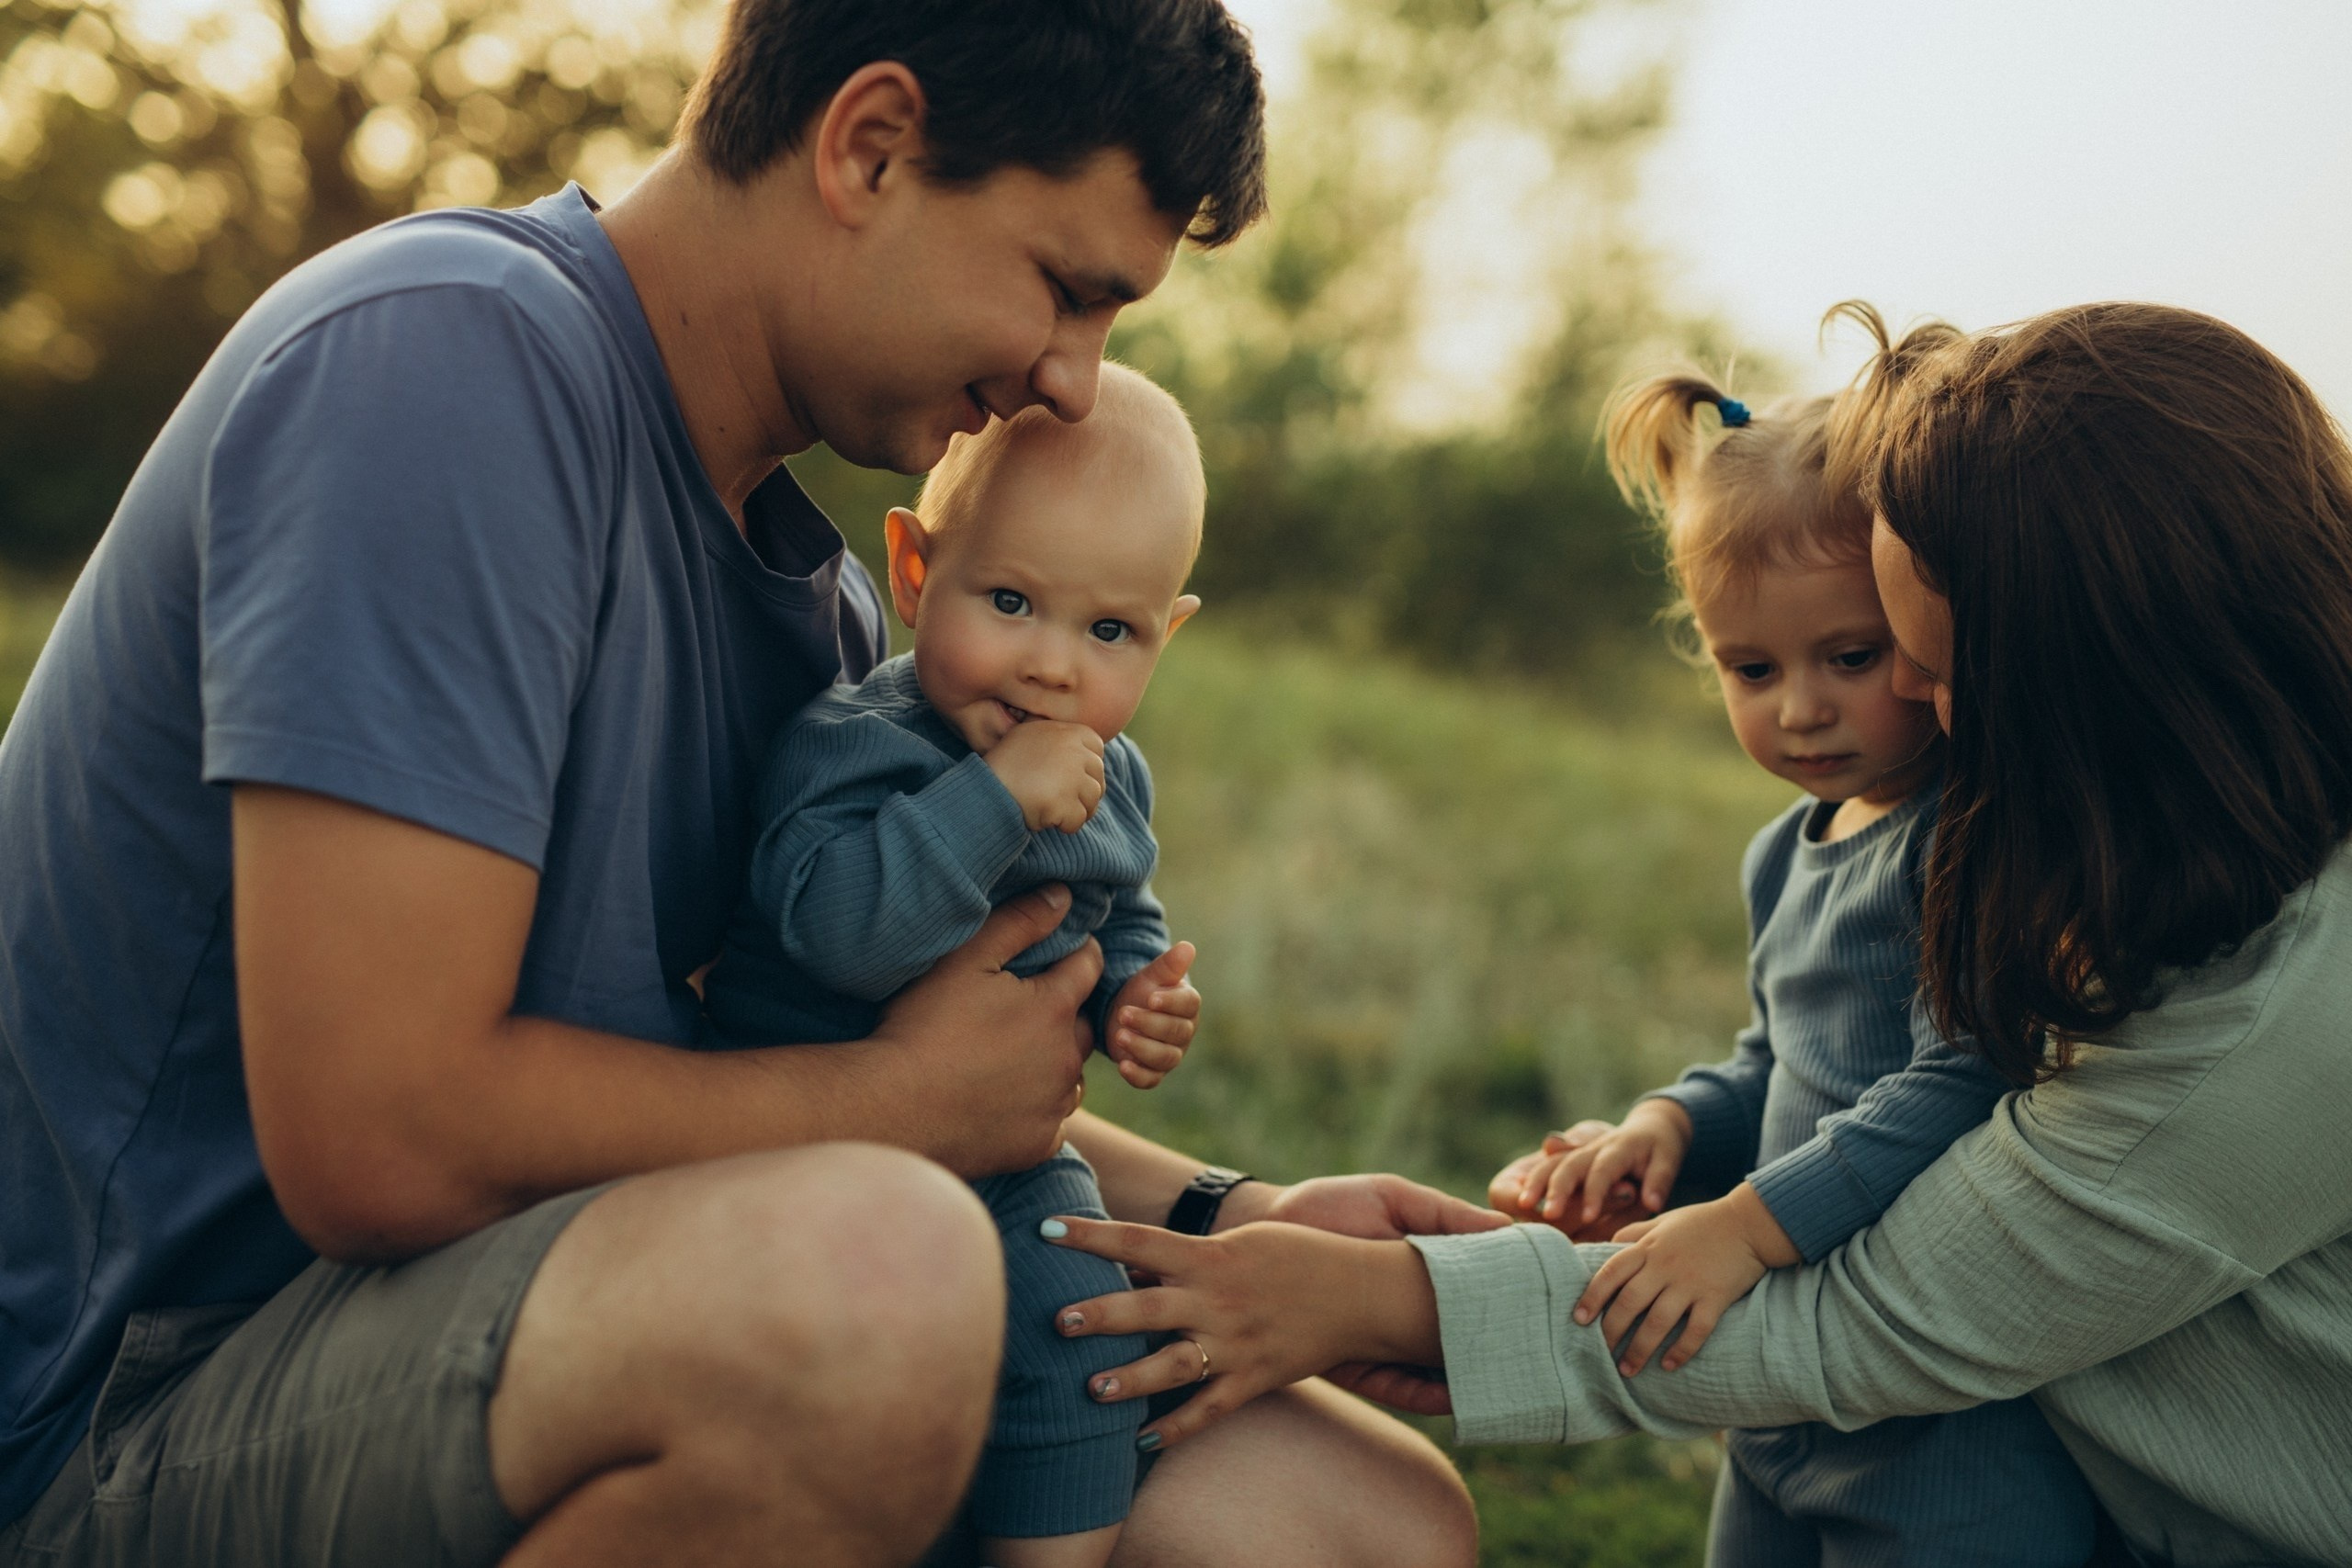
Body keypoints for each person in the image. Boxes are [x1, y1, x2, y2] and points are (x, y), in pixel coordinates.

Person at [0, 5, 1493, 1565]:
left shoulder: (838, 625)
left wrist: (1233, 1225)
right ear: (870, 146)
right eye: (1067, 292)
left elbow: (852, 1056)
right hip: (139, 1406)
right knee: (870, 1281)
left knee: (1356, 1525)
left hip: (543, 1320)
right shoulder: (444, 363)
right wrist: (894, 1111)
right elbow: (383, 1137)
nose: (1073, 382)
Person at [1039, 300, 2352, 1568]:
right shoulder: (2111, 850)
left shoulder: (2228, 991)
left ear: (2107, 687)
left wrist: (1407, 1300)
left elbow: (1889, 1306)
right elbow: (1784, 1068)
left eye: (1926, 667)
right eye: (1763, 666)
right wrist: (1648, 1160)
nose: (1892, 697)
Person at [1481, 368, 2093, 1564]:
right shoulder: (1786, 854)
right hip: (1769, 1398)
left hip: (1939, 1422)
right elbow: (1785, 1060)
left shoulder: (1968, 839)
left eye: (1851, 657)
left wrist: (1743, 1230)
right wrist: (1669, 1125)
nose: (1800, 710)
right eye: (1751, 670)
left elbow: (1960, 1080)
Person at [703, 363, 1210, 1568]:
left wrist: (1134, 999)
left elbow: (1111, 908)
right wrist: (989, 802)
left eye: (1108, 631)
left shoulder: (1109, 769)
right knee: (862, 1374)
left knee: (1086, 1333)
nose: (1051, 667)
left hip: (1004, 1159)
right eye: (1012, 602)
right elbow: (841, 932)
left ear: (1165, 632)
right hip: (795, 1145)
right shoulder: (853, 748)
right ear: (915, 572)